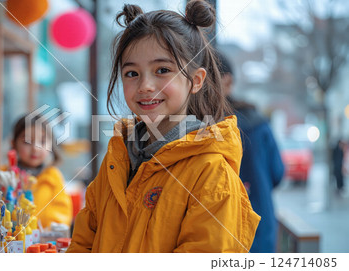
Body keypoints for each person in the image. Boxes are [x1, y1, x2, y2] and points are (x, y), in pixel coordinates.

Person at [67, 1, 260, 253]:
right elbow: (83, 243)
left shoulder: (212, 174)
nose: (145, 85)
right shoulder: (118, 159)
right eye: (132, 73)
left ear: (196, 80)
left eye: (162, 70)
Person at [218, 52, 284, 252]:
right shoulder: (258, 122)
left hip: (218, 235)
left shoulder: (198, 128)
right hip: (259, 227)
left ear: (227, 81)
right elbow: (277, 173)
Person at [9, 115, 72, 228]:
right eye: (27, 142)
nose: (35, 148)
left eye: (42, 142)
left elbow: (63, 211)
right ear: (13, 144)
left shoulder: (53, 175)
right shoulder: (6, 175)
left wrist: (52, 228)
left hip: (45, 240)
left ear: (50, 145)